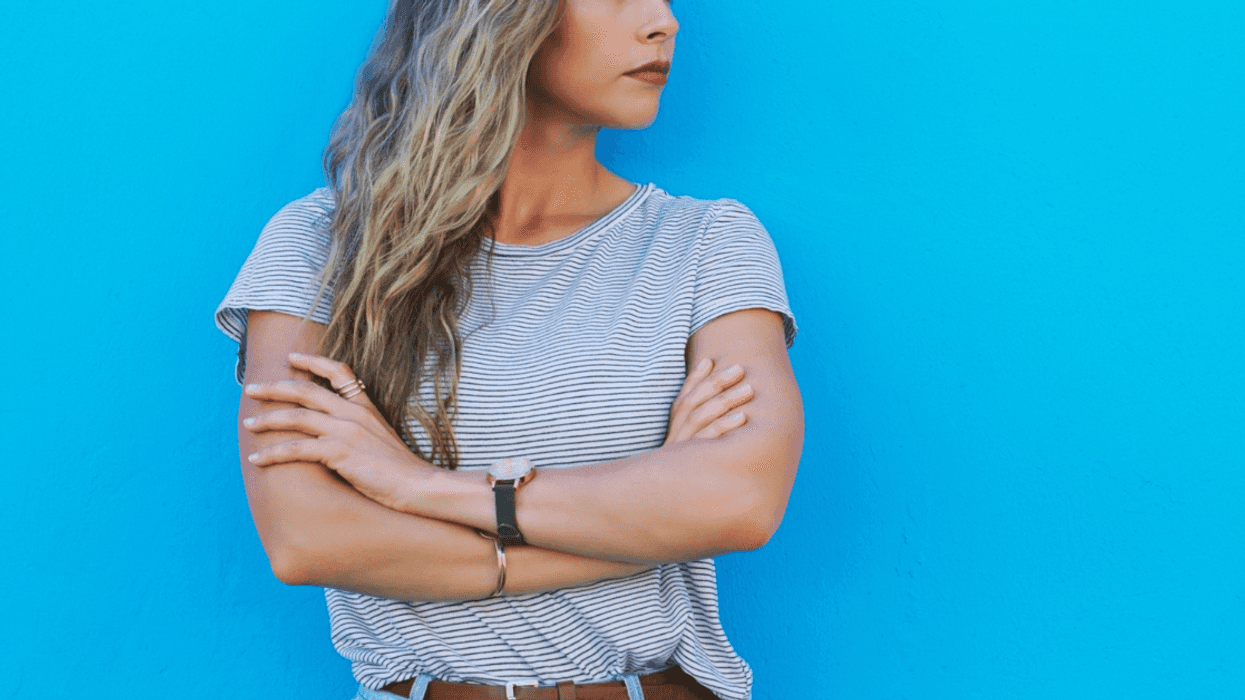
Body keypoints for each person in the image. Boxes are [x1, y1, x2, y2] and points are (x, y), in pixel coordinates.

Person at [214, 0, 803, 698]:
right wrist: (636, 534)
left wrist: (416, 487)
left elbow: (738, 501)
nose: (662, 21)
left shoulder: (707, 242)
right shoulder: (320, 245)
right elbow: (308, 539)